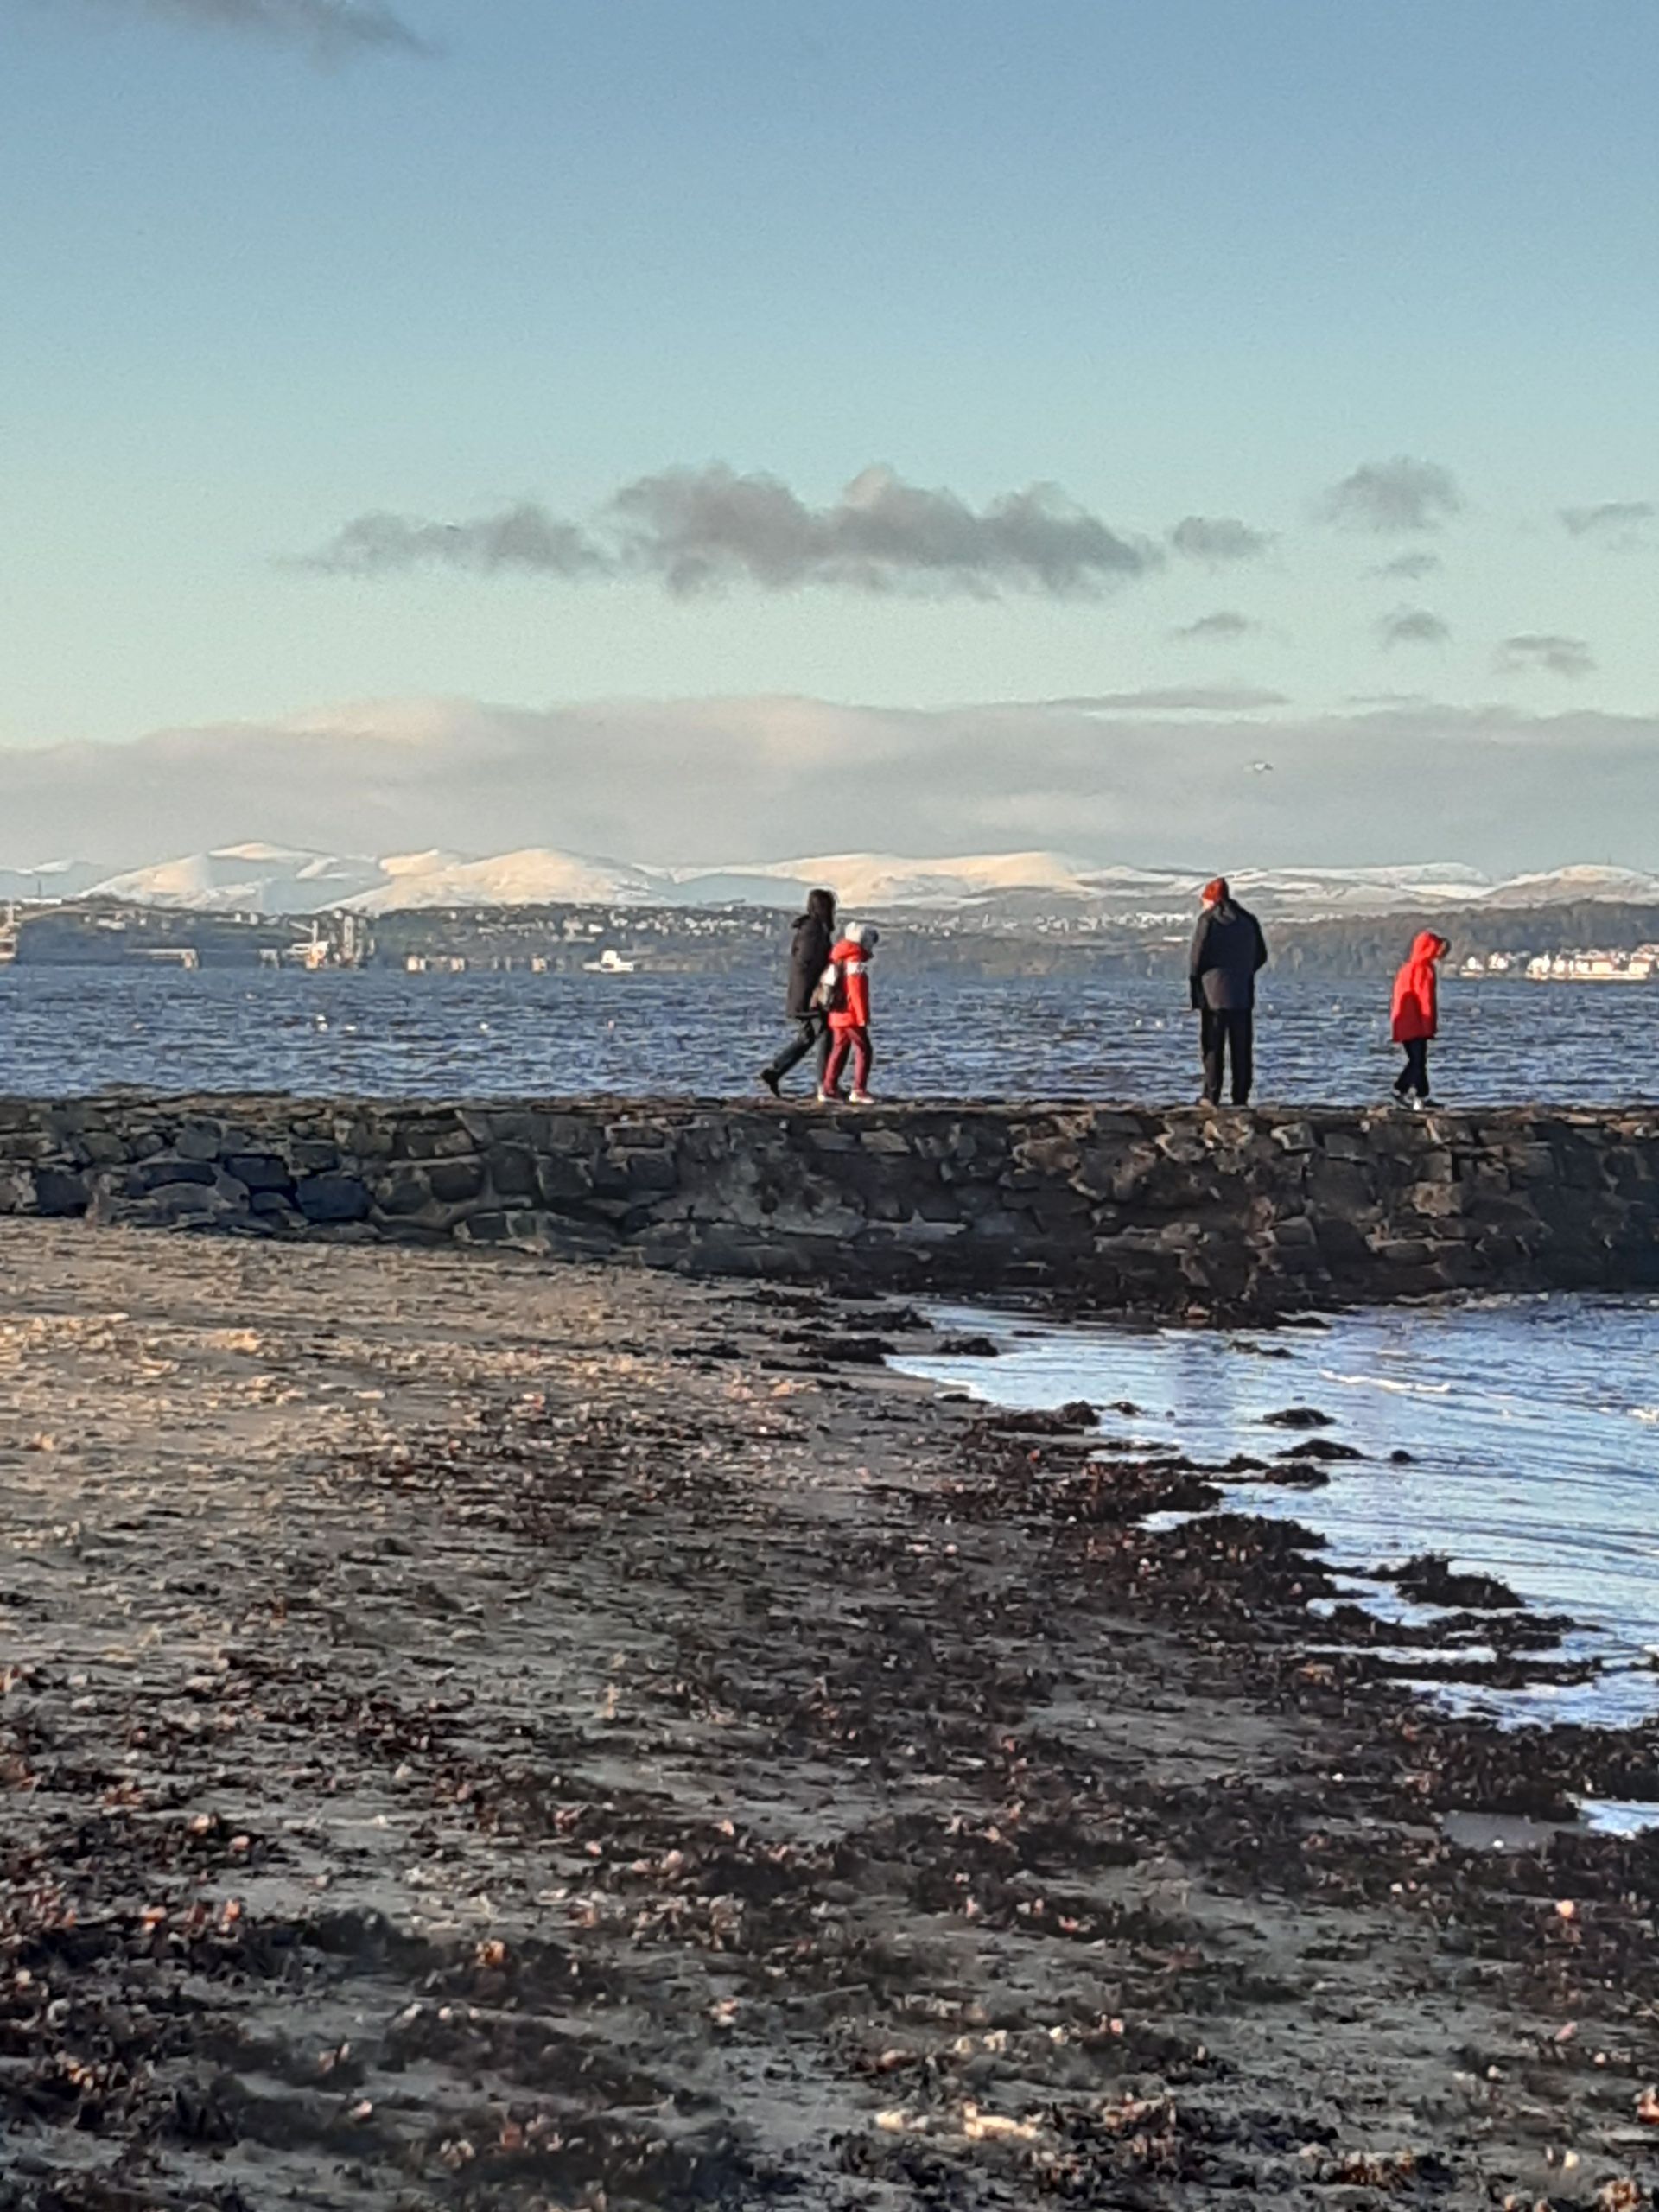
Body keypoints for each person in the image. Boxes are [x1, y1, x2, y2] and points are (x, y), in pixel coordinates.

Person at [1188, 876, 1268, 1105]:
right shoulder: (1248, 920)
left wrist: (1197, 982)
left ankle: (1211, 1095)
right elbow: (1261, 955)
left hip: (1212, 993)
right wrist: (1244, 971)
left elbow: (1197, 956)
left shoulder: (1208, 921)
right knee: (1241, 1048)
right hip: (1242, 993)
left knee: (1213, 1047)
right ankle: (1240, 1097)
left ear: (1211, 899)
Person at [759, 887, 837, 1097]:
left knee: (807, 1036)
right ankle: (824, 1085)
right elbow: (808, 964)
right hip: (808, 996)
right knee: (825, 1033)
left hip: (802, 995)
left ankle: (775, 1071)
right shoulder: (814, 931)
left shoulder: (811, 929)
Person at [819, 922, 878, 1104]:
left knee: (839, 1048)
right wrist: (862, 1017)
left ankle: (828, 1088)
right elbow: (856, 991)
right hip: (850, 1015)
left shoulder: (837, 957)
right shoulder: (854, 960)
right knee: (864, 1050)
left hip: (836, 1013)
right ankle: (858, 1090)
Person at [1390, 931, 1449, 1105]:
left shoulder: (1405, 969)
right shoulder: (1425, 970)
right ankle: (1413, 1094)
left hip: (1403, 1023)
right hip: (1417, 1023)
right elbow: (1426, 1000)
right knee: (1418, 1061)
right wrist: (1428, 1025)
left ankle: (1414, 1095)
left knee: (1416, 1060)